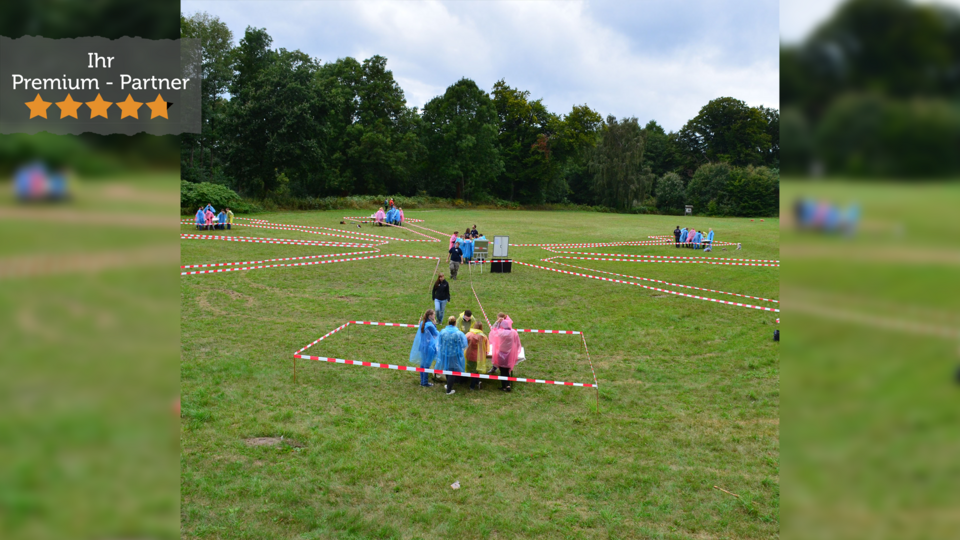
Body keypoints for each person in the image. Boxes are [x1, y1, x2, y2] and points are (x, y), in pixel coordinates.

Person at [435, 316, 468, 395]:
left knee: (447, 368)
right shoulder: (459, 333)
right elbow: (464, 344)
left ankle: (448, 385)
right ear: (455, 323)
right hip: (454, 354)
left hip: (444, 354)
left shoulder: (443, 331)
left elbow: (438, 342)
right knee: (453, 371)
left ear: (448, 322)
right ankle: (449, 390)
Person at [489, 314, 521, 392]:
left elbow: (493, 331)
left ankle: (505, 386)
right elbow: (517, 343)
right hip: (509, 354)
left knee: (503, 371)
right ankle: (508, 385)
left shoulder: (500, 333)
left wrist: (497, 322)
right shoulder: (513, 332)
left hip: (501, 354)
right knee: (506, 370)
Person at [410, 309, 440, 387]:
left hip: (422, 346)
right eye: (433, 314)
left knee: (422, 364)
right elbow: (436, 333)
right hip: (429, 347)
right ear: (430, 316)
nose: (434, 316)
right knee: (426, 365)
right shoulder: (430, 325)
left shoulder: (422, 323)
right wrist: (434, 323)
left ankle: (422, 381)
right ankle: (425, 382)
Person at [465, 321, 489, 390]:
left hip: (470, 354)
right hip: (479, 355)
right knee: (475, 370)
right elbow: (487, 346)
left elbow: (463, 342)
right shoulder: (483, 336)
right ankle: (477, 382)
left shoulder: (469, 334)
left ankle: (472, 386)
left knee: (472, 371)